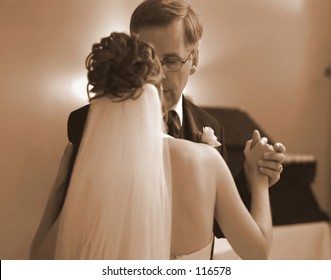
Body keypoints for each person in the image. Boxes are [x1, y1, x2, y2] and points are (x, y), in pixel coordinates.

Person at [31, 32, 273, 260]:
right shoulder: (206, 161)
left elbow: (39, 260)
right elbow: (258, 251)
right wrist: (258, 180)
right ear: (157, 91)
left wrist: (60, 185)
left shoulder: (96, 176)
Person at [66, 0, 285, 244]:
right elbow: (72, 226)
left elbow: (218, 226)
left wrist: (253, 178)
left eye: (170, 61)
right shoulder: (87, 122)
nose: (157, 75)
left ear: (194, 60)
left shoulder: (210, 125)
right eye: (148, 58)